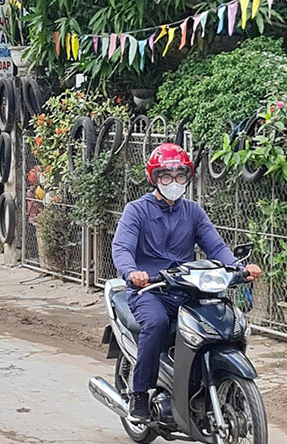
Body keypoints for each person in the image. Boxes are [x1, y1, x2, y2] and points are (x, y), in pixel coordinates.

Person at [112, 143, 262, 422]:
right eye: (166, 176)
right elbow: (121, 248)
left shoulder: (193, 212)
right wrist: (132, 272)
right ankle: (140, 394)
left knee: (219, 322)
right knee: (156, 324)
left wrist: (239, 269)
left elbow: (216, 247)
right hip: (150, 290)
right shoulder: (136, 211)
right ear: (154, 178)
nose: (174, 182)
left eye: (180, 175)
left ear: (187, 178)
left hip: (185, 289)